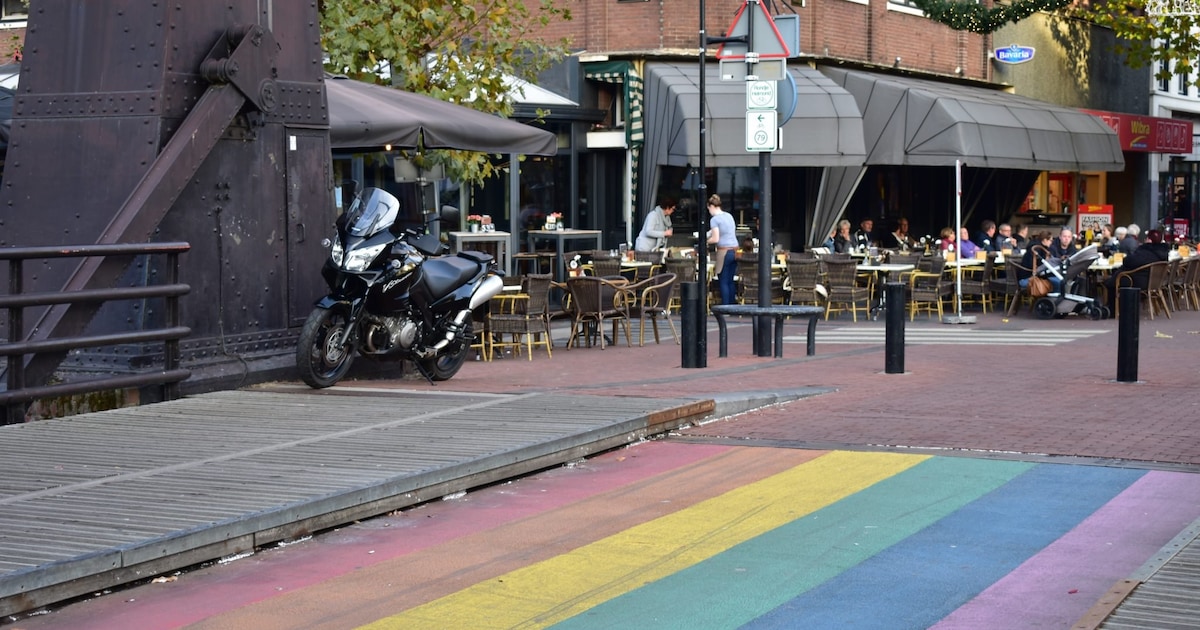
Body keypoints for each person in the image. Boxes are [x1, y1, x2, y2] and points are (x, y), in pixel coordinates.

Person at [1104, 229, 1170, 312]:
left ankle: (1113, 309)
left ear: (1149, 240)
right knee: (1117, 276)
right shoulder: (1163, 253)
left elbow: (1129, 261)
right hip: (1153, 281)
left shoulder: (1145, 252)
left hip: (1138, 281)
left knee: (1113, 281)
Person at [706, 194, 739, 305]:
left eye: (708, 209)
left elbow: (715, 238)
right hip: (735, 251)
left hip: (724, 251)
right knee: (730, 280)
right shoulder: (729, 216)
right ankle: (733, 305)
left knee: (723, 280)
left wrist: (705, 241)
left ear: (711, 206)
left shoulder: (714, 220)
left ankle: (725, 307)